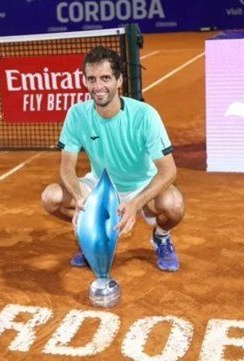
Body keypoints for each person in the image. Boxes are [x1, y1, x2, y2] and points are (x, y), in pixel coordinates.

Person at [41, 46, 185, 272]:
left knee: (173, 205)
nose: (98, 86)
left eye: (105, 78)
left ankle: (161, 237)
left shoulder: (145, 115)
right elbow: (66, 168)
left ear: (119, 81)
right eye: (92, 79)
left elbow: (169, 171)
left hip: (141, 187)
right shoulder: (77, 114)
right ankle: (91, 237)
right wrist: (80, 198)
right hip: (100, 186)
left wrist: (135, 203)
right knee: (51, 197)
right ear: (85, 81)